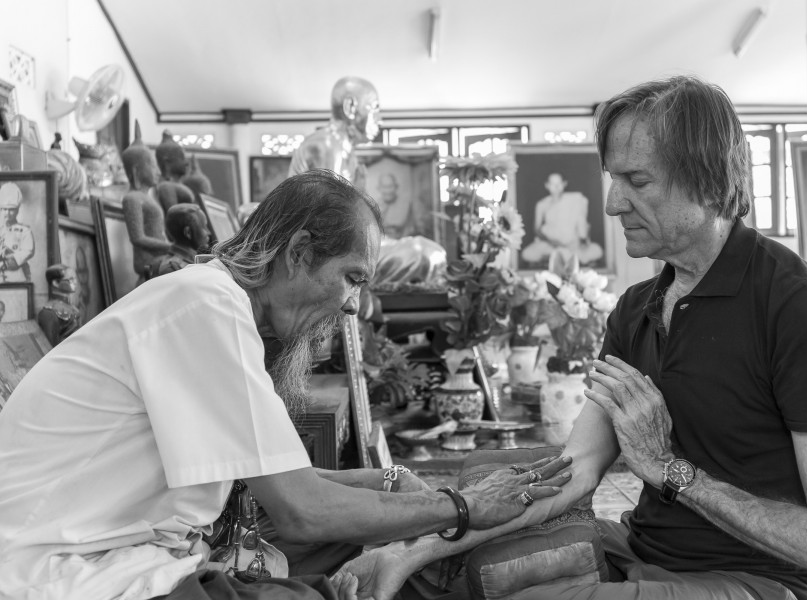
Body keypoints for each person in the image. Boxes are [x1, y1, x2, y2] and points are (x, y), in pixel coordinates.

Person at [333, 76, 807, 600]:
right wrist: (411, 553)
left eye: (637, 182)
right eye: (614, 180)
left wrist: (671, 471)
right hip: (639, 551)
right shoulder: (635, 309)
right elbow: (573, 474)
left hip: (759, 580)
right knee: (436, 575)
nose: (613, 203)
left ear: (709, 180)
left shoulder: (796, 303)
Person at [0, 169, 571, 600]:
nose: (353, 306)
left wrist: (390, 480)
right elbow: (301, 508)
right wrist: (463, 506)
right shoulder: (203, 305)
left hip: (130, 546)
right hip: (61, 569)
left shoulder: (214, 301)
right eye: (351, 277)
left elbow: (277, 481)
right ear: (298, 253)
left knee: (359, 550)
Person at [288, 76, 381, 185]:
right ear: (350, 106)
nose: (379, 121)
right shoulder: (327, 145)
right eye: (374, 110)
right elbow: (331, 196)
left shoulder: (346, 150)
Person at [121, 122, 172, 287]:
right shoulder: (132, 199)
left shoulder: (148, 198)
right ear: (136, 170)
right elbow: (137, 238)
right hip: (150, 266)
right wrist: (171, 247)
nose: (158, 171)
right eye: (153, 165)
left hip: (161, 261)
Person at [520, 173, 604, 266]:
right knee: (527, 254)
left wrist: (583, 240)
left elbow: (582, 222)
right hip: (550, 244)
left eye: (559, 184)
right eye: (553, 184)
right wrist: (553, 242)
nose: (556, 187)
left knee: (597, 251)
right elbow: (537, 229)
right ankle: (564, 258)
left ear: (564, 184)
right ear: (547, 185)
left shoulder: (575, 199)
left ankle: (555, 259)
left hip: (572, 245)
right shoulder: (542, 204)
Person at [148, 204, 212, 277]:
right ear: (188, 233)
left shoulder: (192, 261)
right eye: (204, 227)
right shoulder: (174, 268)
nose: (209, 232)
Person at [37, 263, 81, 346]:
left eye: (75, 279)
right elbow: (50, 346)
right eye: (71, 279)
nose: (75, 282)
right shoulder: (49, 312)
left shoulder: (71, 306)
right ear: (56, 283)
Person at [155, 130, 198, 213]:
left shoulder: (175, 185)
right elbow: (174, 214)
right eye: (182, 158)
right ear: (167, 163)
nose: (186, 163)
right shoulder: (166, 186)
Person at [0, 182, 35, 283]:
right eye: (4, 209)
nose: (7, 213)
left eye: (11, 210)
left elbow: (28, 251)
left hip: (17, 276)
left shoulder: (24, 231)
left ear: (17, 210)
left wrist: (9, 261)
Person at [374, 172, 421, 238]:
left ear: (396, 187)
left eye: (390, 186)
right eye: (384, 187)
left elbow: (413, 228)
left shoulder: (406, 204)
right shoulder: (374, 206)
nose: (388, 191)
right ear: (379, 188)